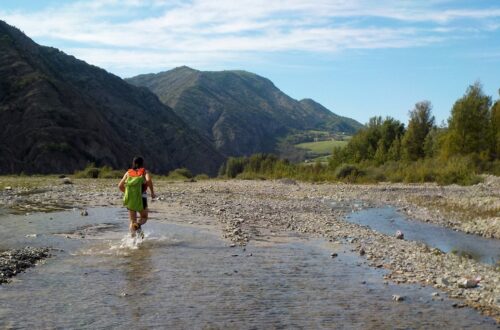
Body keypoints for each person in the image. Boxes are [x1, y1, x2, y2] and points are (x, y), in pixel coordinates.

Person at [118, 156, 156, 238]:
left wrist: (129, 193)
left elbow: (120, 186)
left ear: (133, 163)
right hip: (141, 198)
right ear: (142, 163)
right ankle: (138, 225)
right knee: (144, 217)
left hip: (131, 199)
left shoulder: (128, 173)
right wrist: (152, 192)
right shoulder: (144, 172)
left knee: (132, 220)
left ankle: (132, 240)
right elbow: (148, 180)